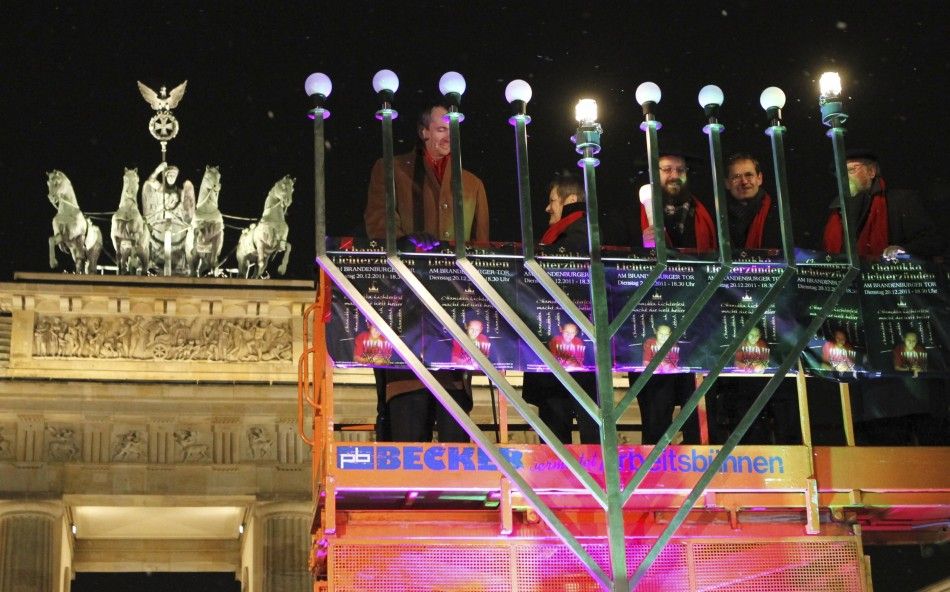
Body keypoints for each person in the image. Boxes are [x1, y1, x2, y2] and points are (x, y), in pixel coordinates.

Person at [363, 100, 490, 443]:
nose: (448, 135)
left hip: (454, 325)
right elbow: (378, 226)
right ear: (423, 133)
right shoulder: (391, 169)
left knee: (455, 439)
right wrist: (407, 244)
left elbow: (481, 248)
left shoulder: (473, 184)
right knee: (408, 426)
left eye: (452, 128)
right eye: (440, 128)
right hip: (407, 317)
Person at [521, 172, 598, 445]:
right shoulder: (579, 232)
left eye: (553, 200)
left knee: (562, 435)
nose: (547, 207)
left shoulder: (575, 236)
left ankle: (572, 483)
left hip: (571, 356)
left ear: (572, 200)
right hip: (575, 358)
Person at [822, 150, 941, 260]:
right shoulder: (836, 211)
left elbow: (932, 240)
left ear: (871, 171)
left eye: (851, 170)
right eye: (839, 173)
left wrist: (903, 250)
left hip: (891, 278)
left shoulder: (901, 201)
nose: (843, 177)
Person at [639, 151, 717, 252]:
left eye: (681, 170)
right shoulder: (632, 215)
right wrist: (643, 247)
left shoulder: (708, 212)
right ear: (652, 173)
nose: (675, 176)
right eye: (667, 169)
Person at [724, 153, 782, 251]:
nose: (744, 182)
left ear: (759, 179)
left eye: (749, 175)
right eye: (736, 177)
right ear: (727, 183)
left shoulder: (780, 215)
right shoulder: (717, 216)